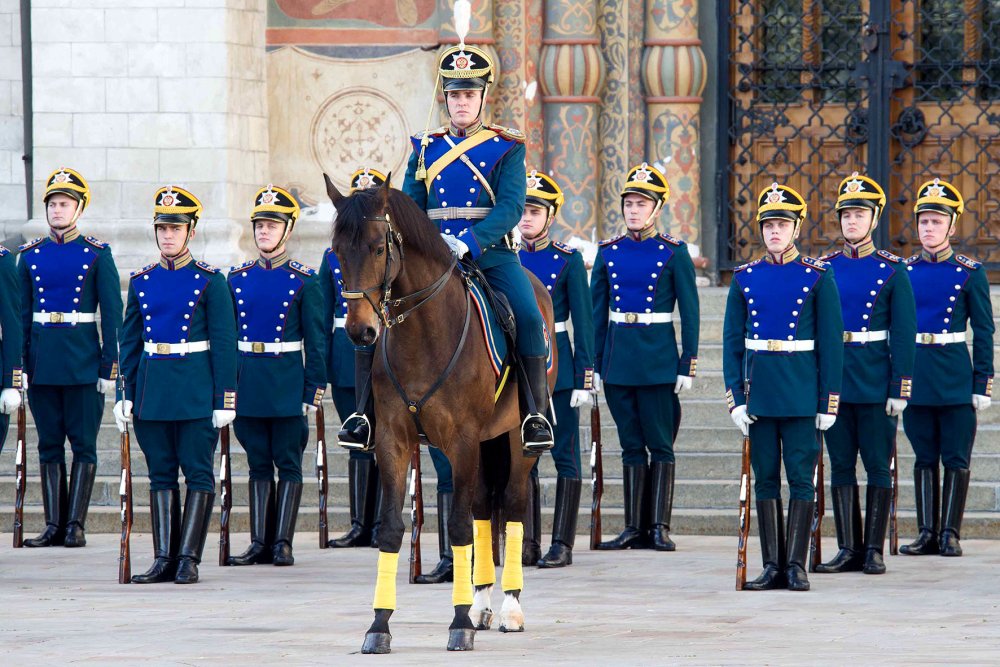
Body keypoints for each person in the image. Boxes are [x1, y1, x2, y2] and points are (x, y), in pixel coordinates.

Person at [339, 44, 545, 584]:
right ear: (446, 98)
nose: (460, 102)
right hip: (430, 258)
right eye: (453, 94)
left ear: (482, 98)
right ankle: (365, 413)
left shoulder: (506, 148)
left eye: (469, 94)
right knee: (375, 325)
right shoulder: (424, 148)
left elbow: (509, 206)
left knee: (526, 314)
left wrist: (471, 241)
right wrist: (421, 240)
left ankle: (536, 413)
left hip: (489, 252)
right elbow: (405, 203)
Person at [722, 182, 843, 591]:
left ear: (796, 228)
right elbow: (731, 344)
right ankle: (771, 564)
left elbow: (830, 345)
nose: (775, 232)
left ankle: (796, 564)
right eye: (769, 224)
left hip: (800, 393)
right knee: (766, 479)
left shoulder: (817, 276)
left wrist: (828, 402)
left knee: (801, 479)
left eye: (782, 224)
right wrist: (736, 399)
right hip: (761, 394)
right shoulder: (745, 278)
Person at [115, 186, 237, 584]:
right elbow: (130, 343)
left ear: (191, 232)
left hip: (194, 390)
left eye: (176, 228)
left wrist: (225, 399)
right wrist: (124, 395)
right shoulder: (142, 281)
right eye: (162, 229)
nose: (168, 235)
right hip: (153, 391)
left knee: (198, 473)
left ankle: (188, 557)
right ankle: (164, 556)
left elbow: (223, 344)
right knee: (160, 475)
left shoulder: (210, 281)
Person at [592, 162, 699, 552]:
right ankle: (634, 527)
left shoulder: (673, 252)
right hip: (620, 360)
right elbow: (595, 314)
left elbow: (690, 311)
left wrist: (687, 362)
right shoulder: (609, 252)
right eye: (629, 203)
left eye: (642, 203)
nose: (633, 210)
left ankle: (659, 525)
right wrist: (596, 364)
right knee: (631, 444)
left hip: (657, 361)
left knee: (660, 443)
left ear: (657, 208)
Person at [816, 173, 916, 575]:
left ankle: (872, 548)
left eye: (860, 214)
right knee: (841, 465)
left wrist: (900, 385)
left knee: (876, 464)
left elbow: (905, 333)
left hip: (875, 379)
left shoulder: (892, 268)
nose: (852, 222)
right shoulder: (824, 268)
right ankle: (848, 548)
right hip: (836, 382)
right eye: (846, 214)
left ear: (874, 219)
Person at [19, 167, 122, 548]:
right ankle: (52, 524)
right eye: (53, 204)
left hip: (81, 362)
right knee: (48, 444)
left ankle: (75, 523)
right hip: (43, 362)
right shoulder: (30, 256)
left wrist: (109, 366)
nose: (57, 210)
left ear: (79, 209)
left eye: (64, 204)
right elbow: (20, 314)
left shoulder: (96, 255)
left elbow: (113, 314)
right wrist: (20, 367)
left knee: (83, 444)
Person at [226, 185, 326, 567]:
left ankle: (282, 541)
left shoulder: (304, 280)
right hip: (249, 380)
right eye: (260, 225)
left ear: (288, 230)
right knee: (256, 463)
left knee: (287, 462)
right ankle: (258, 542)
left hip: (285, 382)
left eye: (272, 225)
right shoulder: (236, 278)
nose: (264, 232)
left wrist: (313, 388)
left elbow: (316, 340)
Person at [900, 178, 994, 557]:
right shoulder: (903, 270)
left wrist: (982, 381)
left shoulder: (970, 272)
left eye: (937, 222)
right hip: (917, 373)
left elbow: (984, 329)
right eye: (923, 221)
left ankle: (950, 532)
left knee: (956, 456)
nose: (928, 228)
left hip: (954, 373)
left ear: (952, 227)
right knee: (924, 456)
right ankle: (926, 532)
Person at [517, 170, 594, 568]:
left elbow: (584, 321)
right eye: (523, 210)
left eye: (535, 211)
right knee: (524, 457)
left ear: (551, 216)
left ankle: (561, 543)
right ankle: (526, 542)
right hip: (516, 371)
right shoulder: (505, 257)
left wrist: (585, 375)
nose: (527, 218)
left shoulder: (567, 260)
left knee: (565, 456)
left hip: (557, 369)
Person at [320, 168, 385, 549]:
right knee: (356, 437)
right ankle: (360, 523)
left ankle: (380, 523)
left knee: (386, 438)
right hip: (347, 356)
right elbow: (324, 310)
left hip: (385, 353)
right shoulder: (334, 256)